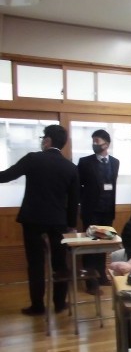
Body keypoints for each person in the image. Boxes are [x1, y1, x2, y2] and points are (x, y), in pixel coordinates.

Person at [0, 124, 79, 316]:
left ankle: (37, 306)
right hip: (58, 221)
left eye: (43, 138)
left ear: (48, 141)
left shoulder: (33, 159)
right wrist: (71, 225)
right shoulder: (71, 167)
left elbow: (6, 176)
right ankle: (59, 303)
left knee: (35, 264)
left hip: (33, 219)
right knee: (59, 264)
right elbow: (74, 201)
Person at [77, 129, 120, 294]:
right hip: (91, 211)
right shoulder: (85, 162)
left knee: (103, 244)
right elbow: (78, 185)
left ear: (106, 144)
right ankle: (91, 282)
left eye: (97, 141)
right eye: (93, 141)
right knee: (90, 246)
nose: (94, 144)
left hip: (107, 210)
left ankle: (102, 275)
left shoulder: (115, 162)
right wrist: (84, 200)